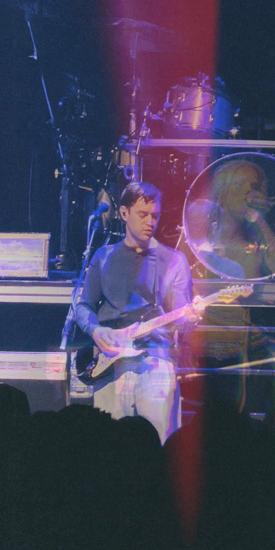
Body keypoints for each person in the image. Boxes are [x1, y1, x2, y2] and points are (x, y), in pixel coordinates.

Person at [74, 181, 198, 443]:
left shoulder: (174, 260)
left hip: (155, 362)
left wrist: (190, 320)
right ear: (123, 213)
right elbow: (83, 306)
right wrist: (96, 330)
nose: (150, 222)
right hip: (110, 363)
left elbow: (180, 320)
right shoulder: (103, 256)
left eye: (155, 216)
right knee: (108, 444)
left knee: (159, 444)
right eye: (142, 215)